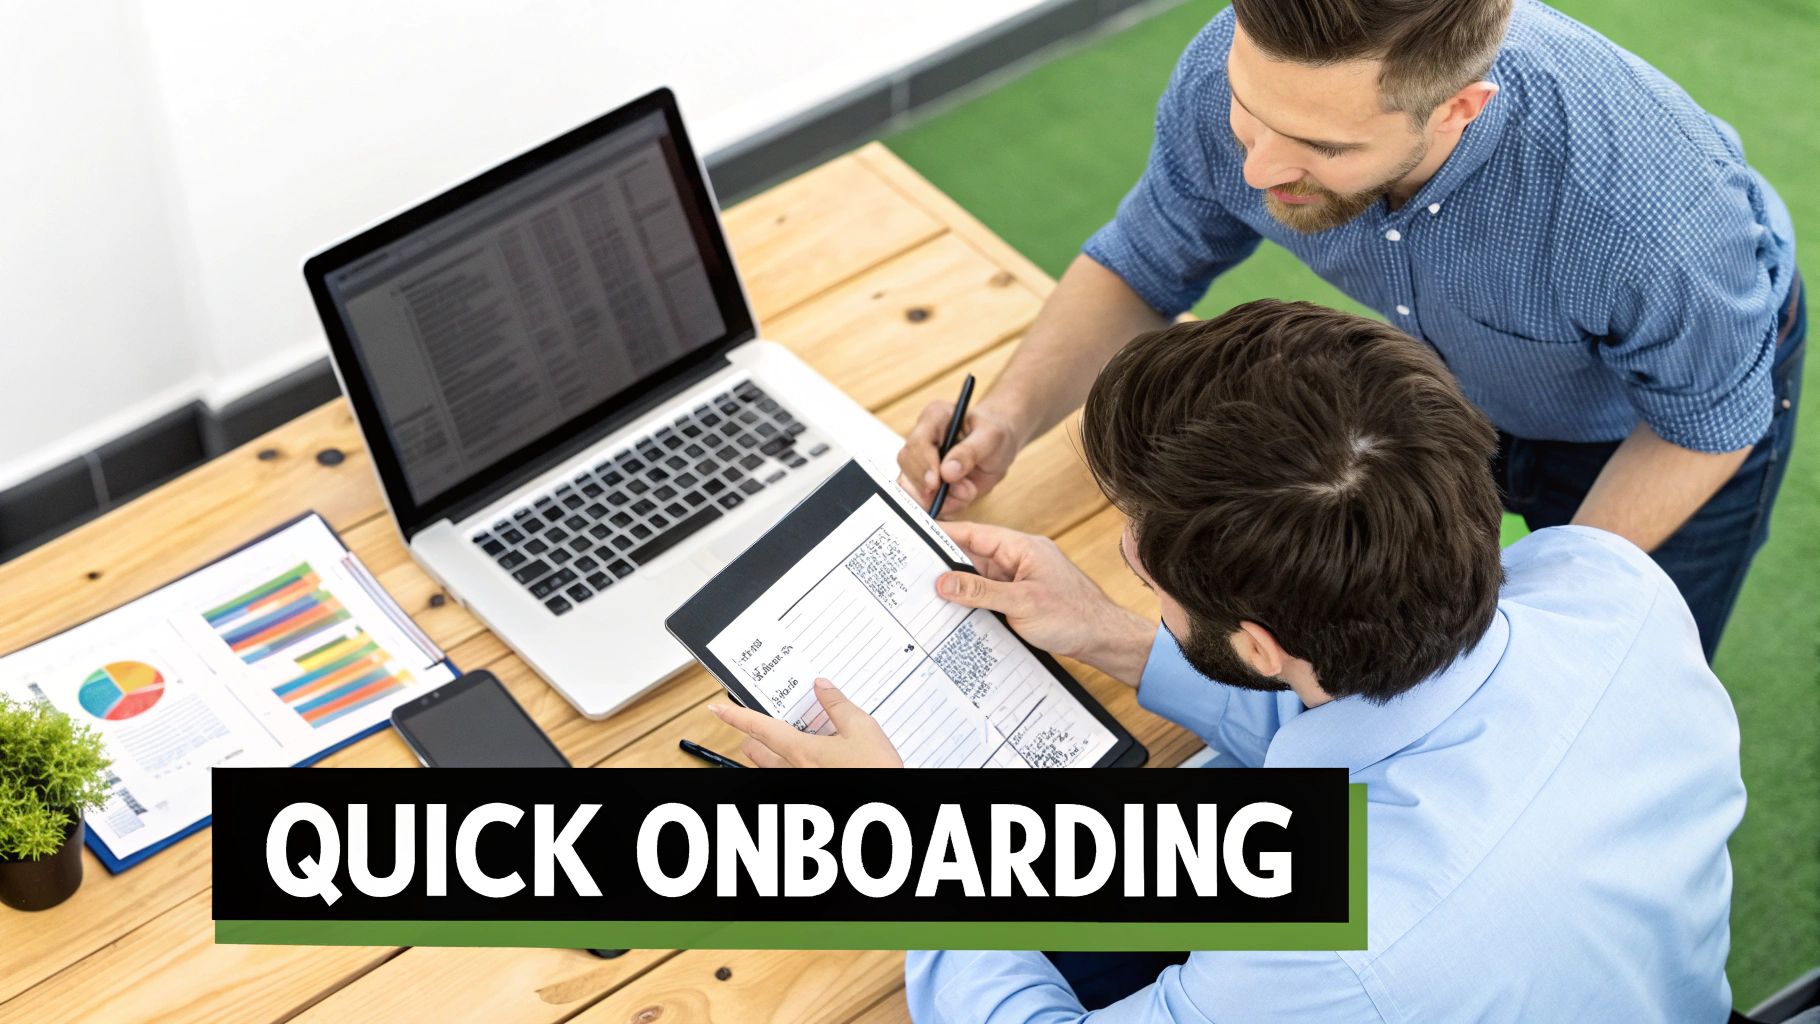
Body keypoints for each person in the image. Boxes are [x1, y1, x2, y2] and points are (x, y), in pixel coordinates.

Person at [713, 301, 1746, 1020]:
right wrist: (1117, 636)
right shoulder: (1603, 587)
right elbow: (1386, 719)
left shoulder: (1323, 960)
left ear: (1257, 642)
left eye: (1134, 550)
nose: (1122, 554)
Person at [894, 0, 1803, 662]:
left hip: (1658, 418)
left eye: (1321, 149)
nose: (1255, 167)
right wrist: (1008, 417)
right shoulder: (1238, 70)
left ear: (1460, 108)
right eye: (1251, 112)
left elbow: (1703, 427)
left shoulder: (1647, 217)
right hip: (1438, 396)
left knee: (1597, 671)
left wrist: (1520, 647)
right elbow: (1146, 260)